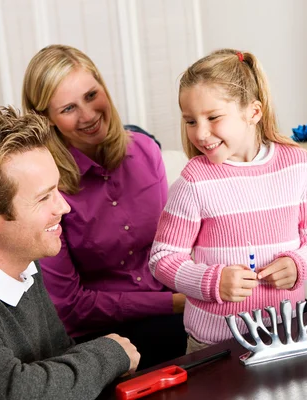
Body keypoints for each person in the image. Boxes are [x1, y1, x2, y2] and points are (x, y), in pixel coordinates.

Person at [0, 107, 140, 400]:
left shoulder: (20, 263)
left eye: (56, 190)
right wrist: (109, 353)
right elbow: (10, 394)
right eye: (44, 197)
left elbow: (62, 364)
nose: (64, 208)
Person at [149, 49, 307, 353]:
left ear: (253, 112)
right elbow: (162, 259)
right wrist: (212, 281)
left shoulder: (298, 164)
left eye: (213, 117)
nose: (200, 132)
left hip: (287, 331)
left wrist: (300, 263)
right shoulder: (194, 180)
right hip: (215, 342)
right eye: (190, 121)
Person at [22, 44, 186, 369]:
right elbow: (70, 305)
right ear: (47, 119)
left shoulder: (146, 151)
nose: (88, 115)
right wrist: (173, 303)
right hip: (100, 332)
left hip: (174, 308)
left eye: (91, 95)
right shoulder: (47, 189)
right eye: (68, 108)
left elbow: (172, 249)